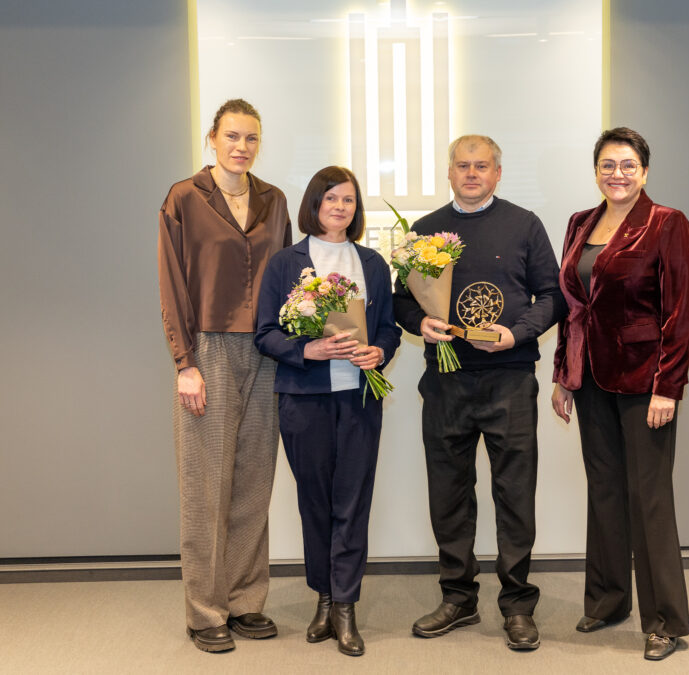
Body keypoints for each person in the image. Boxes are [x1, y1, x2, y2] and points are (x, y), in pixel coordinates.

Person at [394, 135, 564, 651]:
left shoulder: (525, 224)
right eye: (463, 165)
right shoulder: (424, 231)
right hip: (446, 381)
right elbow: (401, 301)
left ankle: (518, 604)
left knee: (515, 494)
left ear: (498, 172)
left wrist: (519, 333)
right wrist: (420, 322)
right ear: (449, 172)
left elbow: (553, 295)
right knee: (448, 493)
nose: (472, 173)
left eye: (482, 166)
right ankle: (457, 597)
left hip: (510, 377)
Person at [551, 127, 689, 661]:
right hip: (590, 379)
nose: (618, 174)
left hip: (644, 382)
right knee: (605, 491)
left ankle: (665, 622)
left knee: (648, 499)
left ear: (645, 171)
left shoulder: (667, 223)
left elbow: (680, 312)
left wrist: (668, 387)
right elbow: (573, 308)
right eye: (608, 165)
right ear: (596, 172)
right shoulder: (578, 224)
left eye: (628, 165)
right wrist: (563, 375)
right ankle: (609, 600)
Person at [158, 98, 292, 653]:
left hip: (266, 349)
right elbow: (171, 282)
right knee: (205, 486)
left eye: (251, 138)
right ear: (212, 137)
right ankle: (204, 610)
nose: (242, 147)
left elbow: (289, 277)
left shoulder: (274, 201)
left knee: (254, 482)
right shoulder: (184, 197)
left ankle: (244, 601)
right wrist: (184, 362)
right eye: (232, 136)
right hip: (208, 350)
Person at [255, 166, 401, 657]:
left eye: (349, 200)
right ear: (314, 204)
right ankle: (324, 597)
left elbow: (389, 328)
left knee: (352, 502)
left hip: (359, 397)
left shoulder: (372, 263)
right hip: (305, 400)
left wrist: (380, 351)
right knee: (315, 502)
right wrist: (307, 349)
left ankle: (346, 606)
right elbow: (265, 333)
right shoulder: (285, 264)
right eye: (331, 198)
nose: (340, 207)